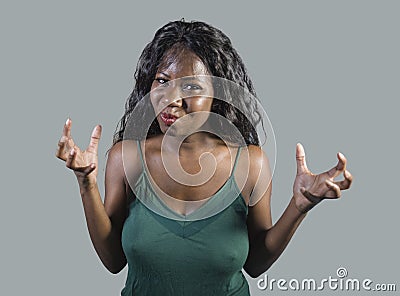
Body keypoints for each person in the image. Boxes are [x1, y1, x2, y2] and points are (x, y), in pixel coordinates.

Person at [56, 20, 353, 296]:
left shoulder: (250, 163)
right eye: (162, 81)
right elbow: (112, 261)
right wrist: (86, 183)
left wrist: (300, 207)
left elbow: (256, 263)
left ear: (219, 94)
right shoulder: (127, 158)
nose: (172, 99)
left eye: (191, 86)